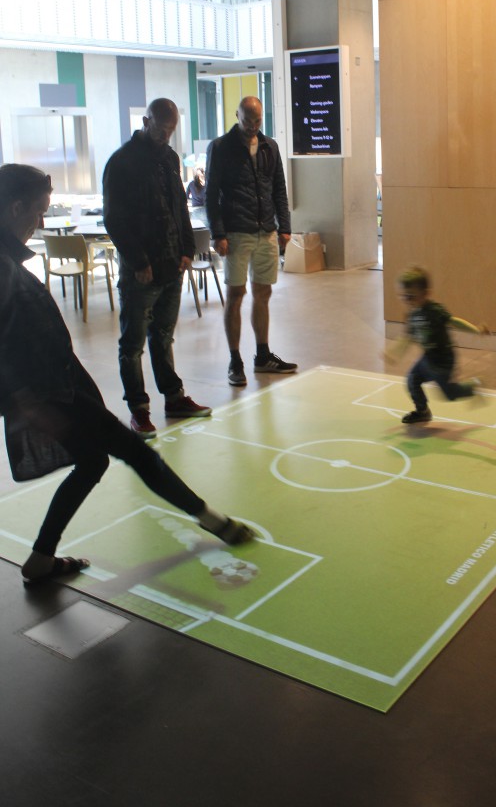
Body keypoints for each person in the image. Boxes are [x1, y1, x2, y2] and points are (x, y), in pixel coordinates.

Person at [0, 164, 254, 586]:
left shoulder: (8, 259)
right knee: (137, 454)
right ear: (14, 207)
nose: (41, 224)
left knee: (93, 460)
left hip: (56, 390)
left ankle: (42, 558)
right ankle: (214, 521)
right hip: (49, 396)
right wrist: (24, 401)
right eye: (38, 213)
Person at [103, 97, 210, 438]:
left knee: (163, 336)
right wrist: (138, 261)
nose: (166, 135)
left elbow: (179, 205)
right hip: (141, 271)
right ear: (146, 121)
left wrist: (186, 251)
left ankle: (174, 398)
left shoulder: (169, 159)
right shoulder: (121, 163)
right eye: (161, 129)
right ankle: (139, 409)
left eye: (171, 130)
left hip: (171, 266)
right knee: (132, 344)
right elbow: (115, 220)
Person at [205, 95, 297, 387]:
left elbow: (279, 188)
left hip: (267, 231)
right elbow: (211, 194)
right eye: (248, 121)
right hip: (235, 233)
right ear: (237, 116)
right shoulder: (220, 147)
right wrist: (218, 233)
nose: (253, 127)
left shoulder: (270, 146)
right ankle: (235, 360)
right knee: (235, 296)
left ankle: (262, 355)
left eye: (257, 121)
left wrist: (285, 227)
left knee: (263, 293)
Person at [388, 265, 489, 424]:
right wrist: (395, 353)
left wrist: (476, 330)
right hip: (427, 358)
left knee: (450, 394)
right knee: (412, 381)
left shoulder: (434, 311)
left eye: (412, 296)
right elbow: (407, 337)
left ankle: (472, 387)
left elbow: (454, 321)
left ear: (426, 293)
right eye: (404, 296)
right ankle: (422, 411)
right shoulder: (412, 314)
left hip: (443, 360)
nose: (408, 300)